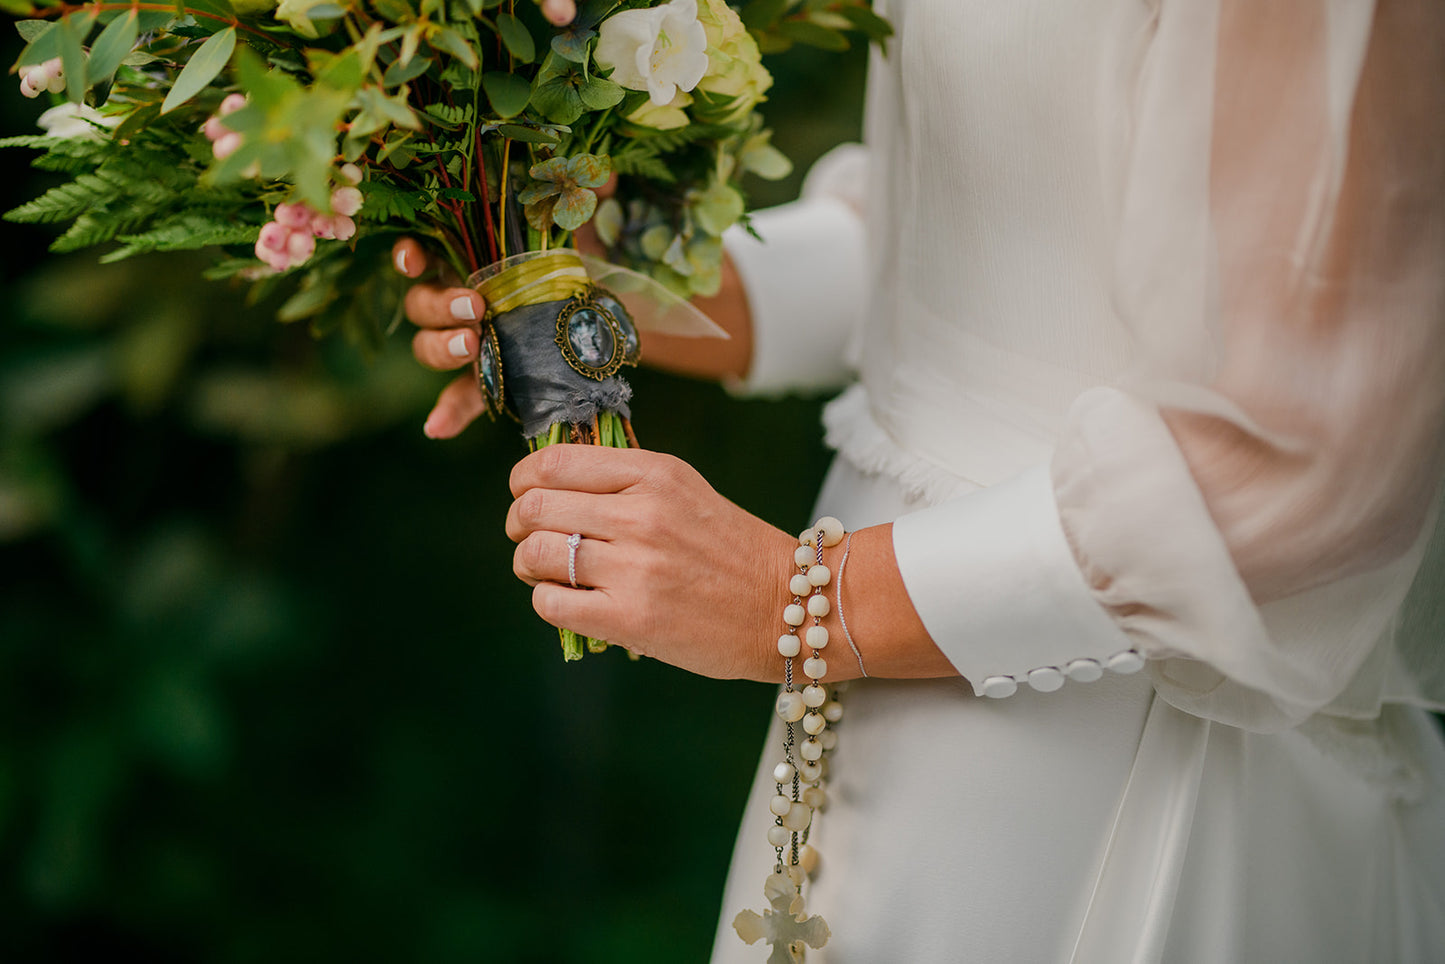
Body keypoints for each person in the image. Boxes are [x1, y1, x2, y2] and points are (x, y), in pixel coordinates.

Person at [395, 0, 1445, 958]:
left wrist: (795, 600)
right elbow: (956, 242)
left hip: (1127, 722)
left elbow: (1300, 455)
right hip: (871, 686)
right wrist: (614, 285)